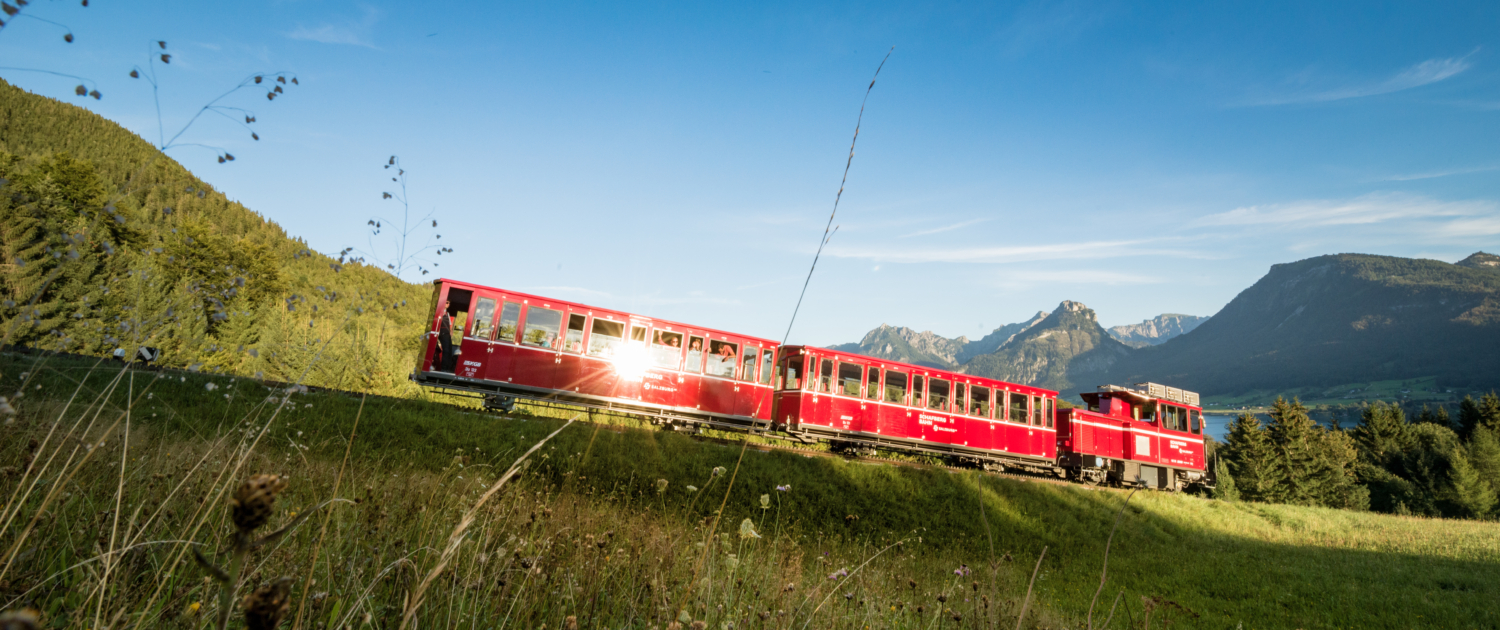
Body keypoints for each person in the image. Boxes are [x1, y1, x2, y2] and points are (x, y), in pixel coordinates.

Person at [435, 300, 458, 372]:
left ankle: (447, 366)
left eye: (449, 303)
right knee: (446, 351)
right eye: (447, 302)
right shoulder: (440, 312)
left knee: (449, 350)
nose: (448, 304)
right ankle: (444, 368)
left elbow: (450, 325)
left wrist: (451, 332)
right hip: (442, 333)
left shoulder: (447, 313)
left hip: (447, 334)